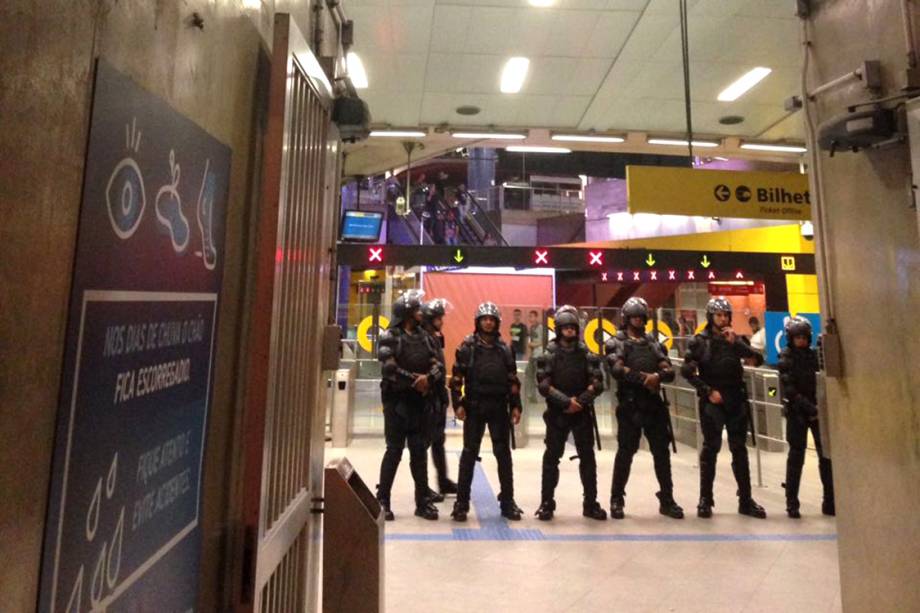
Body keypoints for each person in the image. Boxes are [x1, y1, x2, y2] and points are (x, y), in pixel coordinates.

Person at [681, 297, 767, 519]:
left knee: (740, 449)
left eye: (726, 315)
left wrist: (736, 343)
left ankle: (745, 500)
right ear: (711, 317)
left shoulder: (736, 340)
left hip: (735, 399)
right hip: (713, 400)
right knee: (711, 449)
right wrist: (708, 391)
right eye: (719, 315)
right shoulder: (699, 341)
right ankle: (705, 499)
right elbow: (687, 371)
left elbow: (757, 360)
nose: (723, 318)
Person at [605, 298, 684, 520]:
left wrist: (657, 376)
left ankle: (667, 499)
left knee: (661, 453)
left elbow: (669, 370)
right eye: (634, 317)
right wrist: (644, 378)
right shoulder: (616, 342)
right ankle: (616, 498)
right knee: (625, 452)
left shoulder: (653, 343)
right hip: (630, 404)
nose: (638, 320)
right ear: (627, 318)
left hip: (653, 404)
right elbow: (617, 369)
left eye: (641, 317)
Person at [449, 303, 524, 522]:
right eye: (484, 319)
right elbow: (456, 379)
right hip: (474, 406)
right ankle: (461, 503)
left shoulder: (504, 349)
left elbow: (512, 381)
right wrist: (458, 404)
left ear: (497, 322)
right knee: (469, 454)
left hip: (499, 407)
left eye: (492, 319)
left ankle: (508, 502)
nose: (488, 322)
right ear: (478, 322)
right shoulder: (467, 347)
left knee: (503, 455)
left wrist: (516, 406)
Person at [534, 308, 608, 520]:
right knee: (551, 458)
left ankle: (590, 503)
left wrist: (580, 402)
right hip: (558, 413)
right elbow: (544, 385)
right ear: (558, 330)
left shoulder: (587, 354)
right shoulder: (548, 355)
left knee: (588, 458)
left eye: (572, 327)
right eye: (565, 327)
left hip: (582, 412)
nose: (569, 331)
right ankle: (546, 503)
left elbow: (597, 383)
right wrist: (566, 402)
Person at [375, 291, 443, 521]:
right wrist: (417, 381)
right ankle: (382, 499)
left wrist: (429, 379)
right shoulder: (389, 336)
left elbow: (438, 365)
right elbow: (389, 368)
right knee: (394, 451)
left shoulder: (426, 337)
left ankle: (422, 501)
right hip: (396, 402)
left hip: (419, 403)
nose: (421, 312)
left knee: (418, 452)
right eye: (417, 309)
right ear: (406, 313)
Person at [778, 317, 835, 518]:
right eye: (797, 337)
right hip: (797, 413)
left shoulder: (813, 357)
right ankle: (792, 502)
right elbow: (789, 388)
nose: (801, 341)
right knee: (796, 458)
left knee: (826, 458)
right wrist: (810, 408)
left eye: (804, 337)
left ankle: (830, 500)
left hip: (816, 411)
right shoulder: (786, 358)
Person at [421, 299, 459, 502]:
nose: (441, 321)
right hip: (428, 398)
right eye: (438, 318)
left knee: (438, 441)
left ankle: (443, 481)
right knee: (425, 443)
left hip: (437, 397)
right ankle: (423, 487)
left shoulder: (435, 337)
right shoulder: (424, 339)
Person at [525, 309, 545, 402]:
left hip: (539, 355)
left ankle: (540, 396)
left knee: (538, 376)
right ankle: (531, 396)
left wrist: (533, 344)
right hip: (533, 356)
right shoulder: (531, 328)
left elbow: (543, 341)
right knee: (529, 374)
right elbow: (530, 342)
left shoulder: (541, 328)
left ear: (536, 317)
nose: (530, 318)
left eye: (532, 316)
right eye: (529, 316)